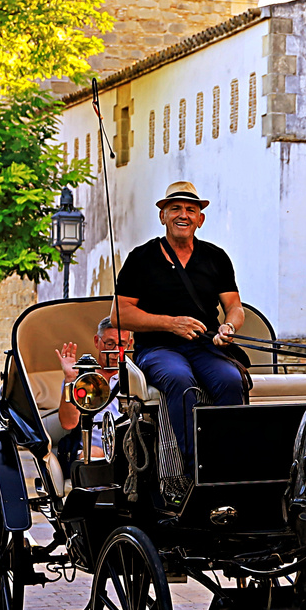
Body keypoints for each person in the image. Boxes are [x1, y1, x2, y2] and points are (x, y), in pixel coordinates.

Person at [113, 180, 246, 459]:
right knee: (179, 379)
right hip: (157, 349)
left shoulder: (216, 257)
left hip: (204, 346)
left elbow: (234, 306)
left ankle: (228, 462)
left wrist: (229, 327)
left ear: (200, 219)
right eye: (175, 208)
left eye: (190, 209)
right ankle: (191, 470)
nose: (182, 214)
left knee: (231, 381)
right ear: (163, 216)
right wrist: (171, 324)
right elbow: (119, 314)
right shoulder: (140, 258)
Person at [53, 317, 134, 475]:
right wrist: (70, 378)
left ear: (129, 345)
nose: (115, 351)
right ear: (97, 341)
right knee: (89, 456)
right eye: (109, 344)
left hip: (129, 454)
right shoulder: (82, 377)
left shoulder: (136, 378)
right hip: (90, 453)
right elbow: (68, 423)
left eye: (122, 344)